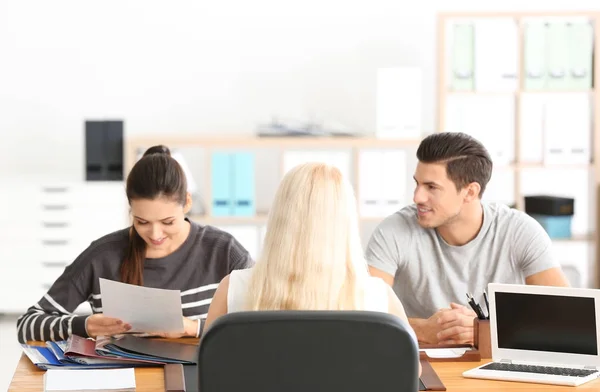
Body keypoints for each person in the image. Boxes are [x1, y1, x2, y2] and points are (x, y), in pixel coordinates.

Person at [16, 145, 254, 343]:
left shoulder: (223, 251)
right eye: (141, 221)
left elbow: (263, 323)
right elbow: (27, 325)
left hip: (199, 376)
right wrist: (84, 325)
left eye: (168, 221)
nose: (155, 234)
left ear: (187, 203)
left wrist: (194, 327)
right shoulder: (102, 256)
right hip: (122, 379)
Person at [204, 163, 418, 369]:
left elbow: (207, 366)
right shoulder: (377, 295)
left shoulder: (233, 287)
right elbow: (409, 370)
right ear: (345, 222)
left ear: (279, 216)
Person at [366, 132, 569, 346]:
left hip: (493, 360)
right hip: (419, 364)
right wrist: (422, 329)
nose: (417, 197)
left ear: (470, 192)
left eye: (431, 187)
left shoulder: (520, 231)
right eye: (417, 184)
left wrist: (488, 331)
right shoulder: (394, 230)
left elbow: (564, 314)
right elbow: (363, 309)